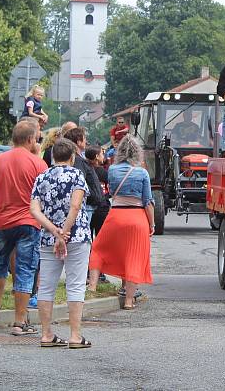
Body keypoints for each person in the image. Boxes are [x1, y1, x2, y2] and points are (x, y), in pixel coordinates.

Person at [0, 120, 47, 334]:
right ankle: (20, 321)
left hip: (3, 222)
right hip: (29, 222)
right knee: (25, 268)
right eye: (36, 137)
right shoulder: (38, 164)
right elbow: (45, 196)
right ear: (30, 139)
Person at [29, 137, 92, 348]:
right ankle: (75, 335)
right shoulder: (77, 176)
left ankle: (47, 334)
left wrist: (54, 231)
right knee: (75, 285)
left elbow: (34, 210)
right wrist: (64, 232)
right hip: (76, 235)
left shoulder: (41, 177)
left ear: (53, 156)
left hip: (48, 237)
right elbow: (75, 206)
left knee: (46, 286)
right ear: (72, 156)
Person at [87, 136, 153, 309]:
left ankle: (92, 287)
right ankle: (129, 301)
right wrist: (151, 224)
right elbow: (148, 202)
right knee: (133, 257)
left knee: (98, 248)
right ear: (138, 153)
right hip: (137, 218)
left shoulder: (113, 170)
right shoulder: (142, 173)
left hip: (115, 215)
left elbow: (112, 192)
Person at [64, 127, 105, 226]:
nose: (86, 141)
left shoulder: (77, 159)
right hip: (87, 205)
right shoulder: (78, 160)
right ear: (78, 142)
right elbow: (79, 182)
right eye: (84, 138)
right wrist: (92, 194)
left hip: (89, 204)